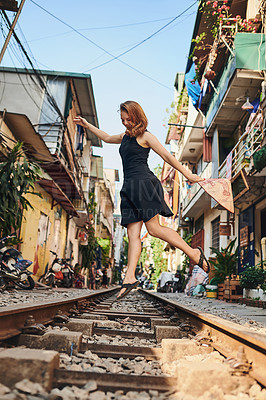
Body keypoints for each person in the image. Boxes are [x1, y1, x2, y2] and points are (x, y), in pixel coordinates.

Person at [74, 100, 210, 300]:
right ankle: (129, 278)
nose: (126, 123)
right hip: (129, 189)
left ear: (137, 117)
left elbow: (167, 157)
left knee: (154, 230)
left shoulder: (146, 136)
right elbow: (107, 136)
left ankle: (194, 254)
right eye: (122, 119)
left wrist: (188, 175)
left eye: (129, 119)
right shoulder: (125, 137)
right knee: (133, 235)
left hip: (144, 185)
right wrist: (87, 125)